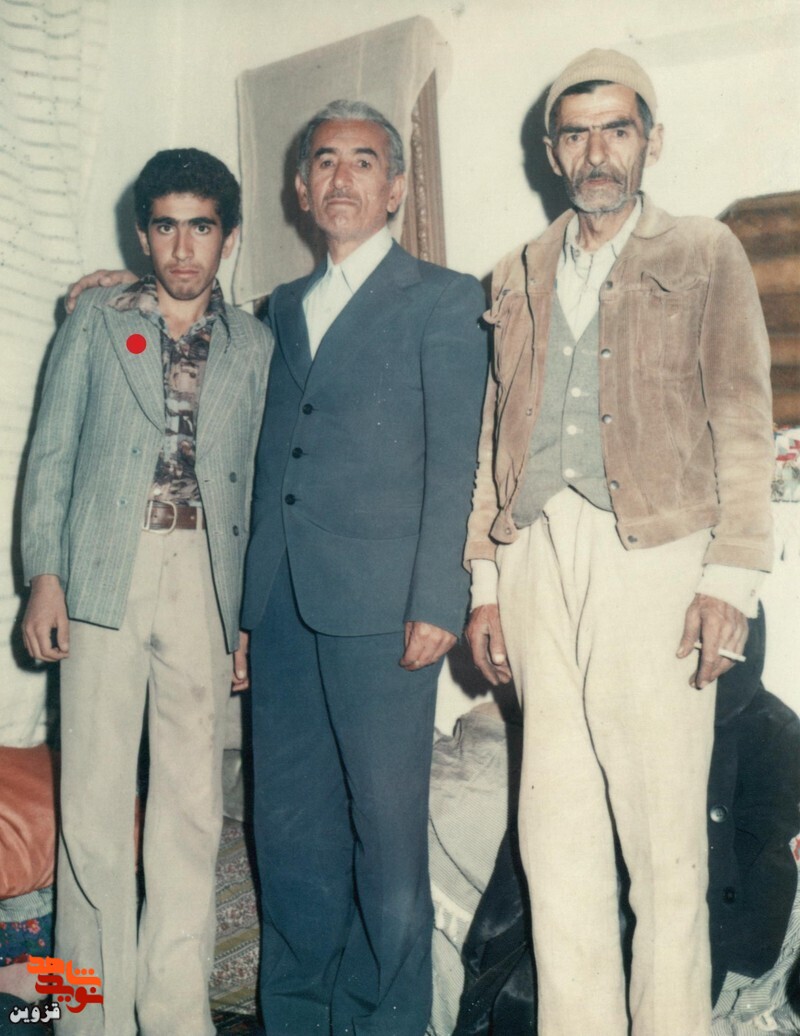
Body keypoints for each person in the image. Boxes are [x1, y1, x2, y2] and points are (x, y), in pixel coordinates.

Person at [463, 49, 774, 1036]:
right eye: (576, 133)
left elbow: (742, 417)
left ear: (651, 141)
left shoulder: (705, 252)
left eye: (616, 130)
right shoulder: (515, 270)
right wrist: (484, 583)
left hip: (655, 557)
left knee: (664, 850)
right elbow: (492, 437)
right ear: (551, 150)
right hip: (533, 560)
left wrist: (730, 577)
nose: (596, 151)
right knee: (554, 841)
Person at [232, 100, 486, 1036]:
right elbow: (269, 464)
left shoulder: (445, 299)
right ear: (302, 189)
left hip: (386, 613)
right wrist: (246, 615)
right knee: (290, 834)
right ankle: (298, 1019)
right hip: (281, 612)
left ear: (397, 189)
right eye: (325, 162)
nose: (342, 178)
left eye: (365, 161)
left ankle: (385, 1023)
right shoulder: (277, 310)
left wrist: (439, 597)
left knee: (386, 840)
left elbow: (456, 463)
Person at [21, 148, 272, 1036]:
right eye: (166, 226)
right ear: (142, 235)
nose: (182, 247)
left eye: (201, 227)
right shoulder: (97, 319)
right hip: (102, 577)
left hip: (203, 581)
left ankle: (174, 1016)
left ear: (228, 238)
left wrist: (244, 618)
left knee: (191, 811)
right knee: (89, 811)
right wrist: (43, 577)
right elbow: (51, 453)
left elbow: (256, 483)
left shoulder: (256, 346)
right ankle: (82, 1018)